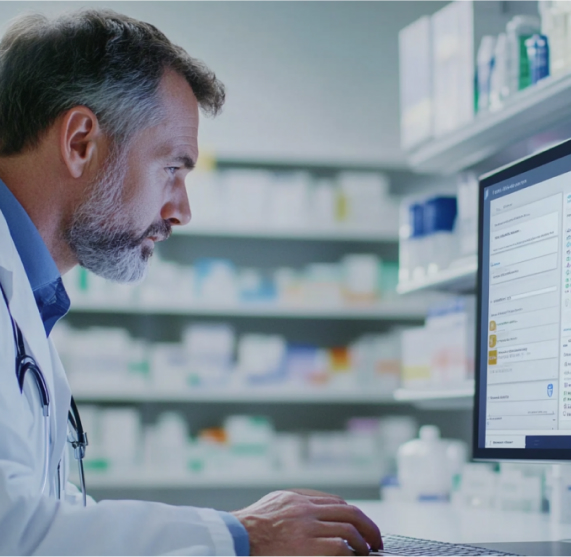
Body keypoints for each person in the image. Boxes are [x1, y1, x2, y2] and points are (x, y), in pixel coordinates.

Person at [0, 9, 382, 556]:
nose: (181, 211)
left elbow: (47, 519)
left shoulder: (26, 299)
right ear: (81, 142)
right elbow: (11, 532)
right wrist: (244, 535)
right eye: (172, 169)